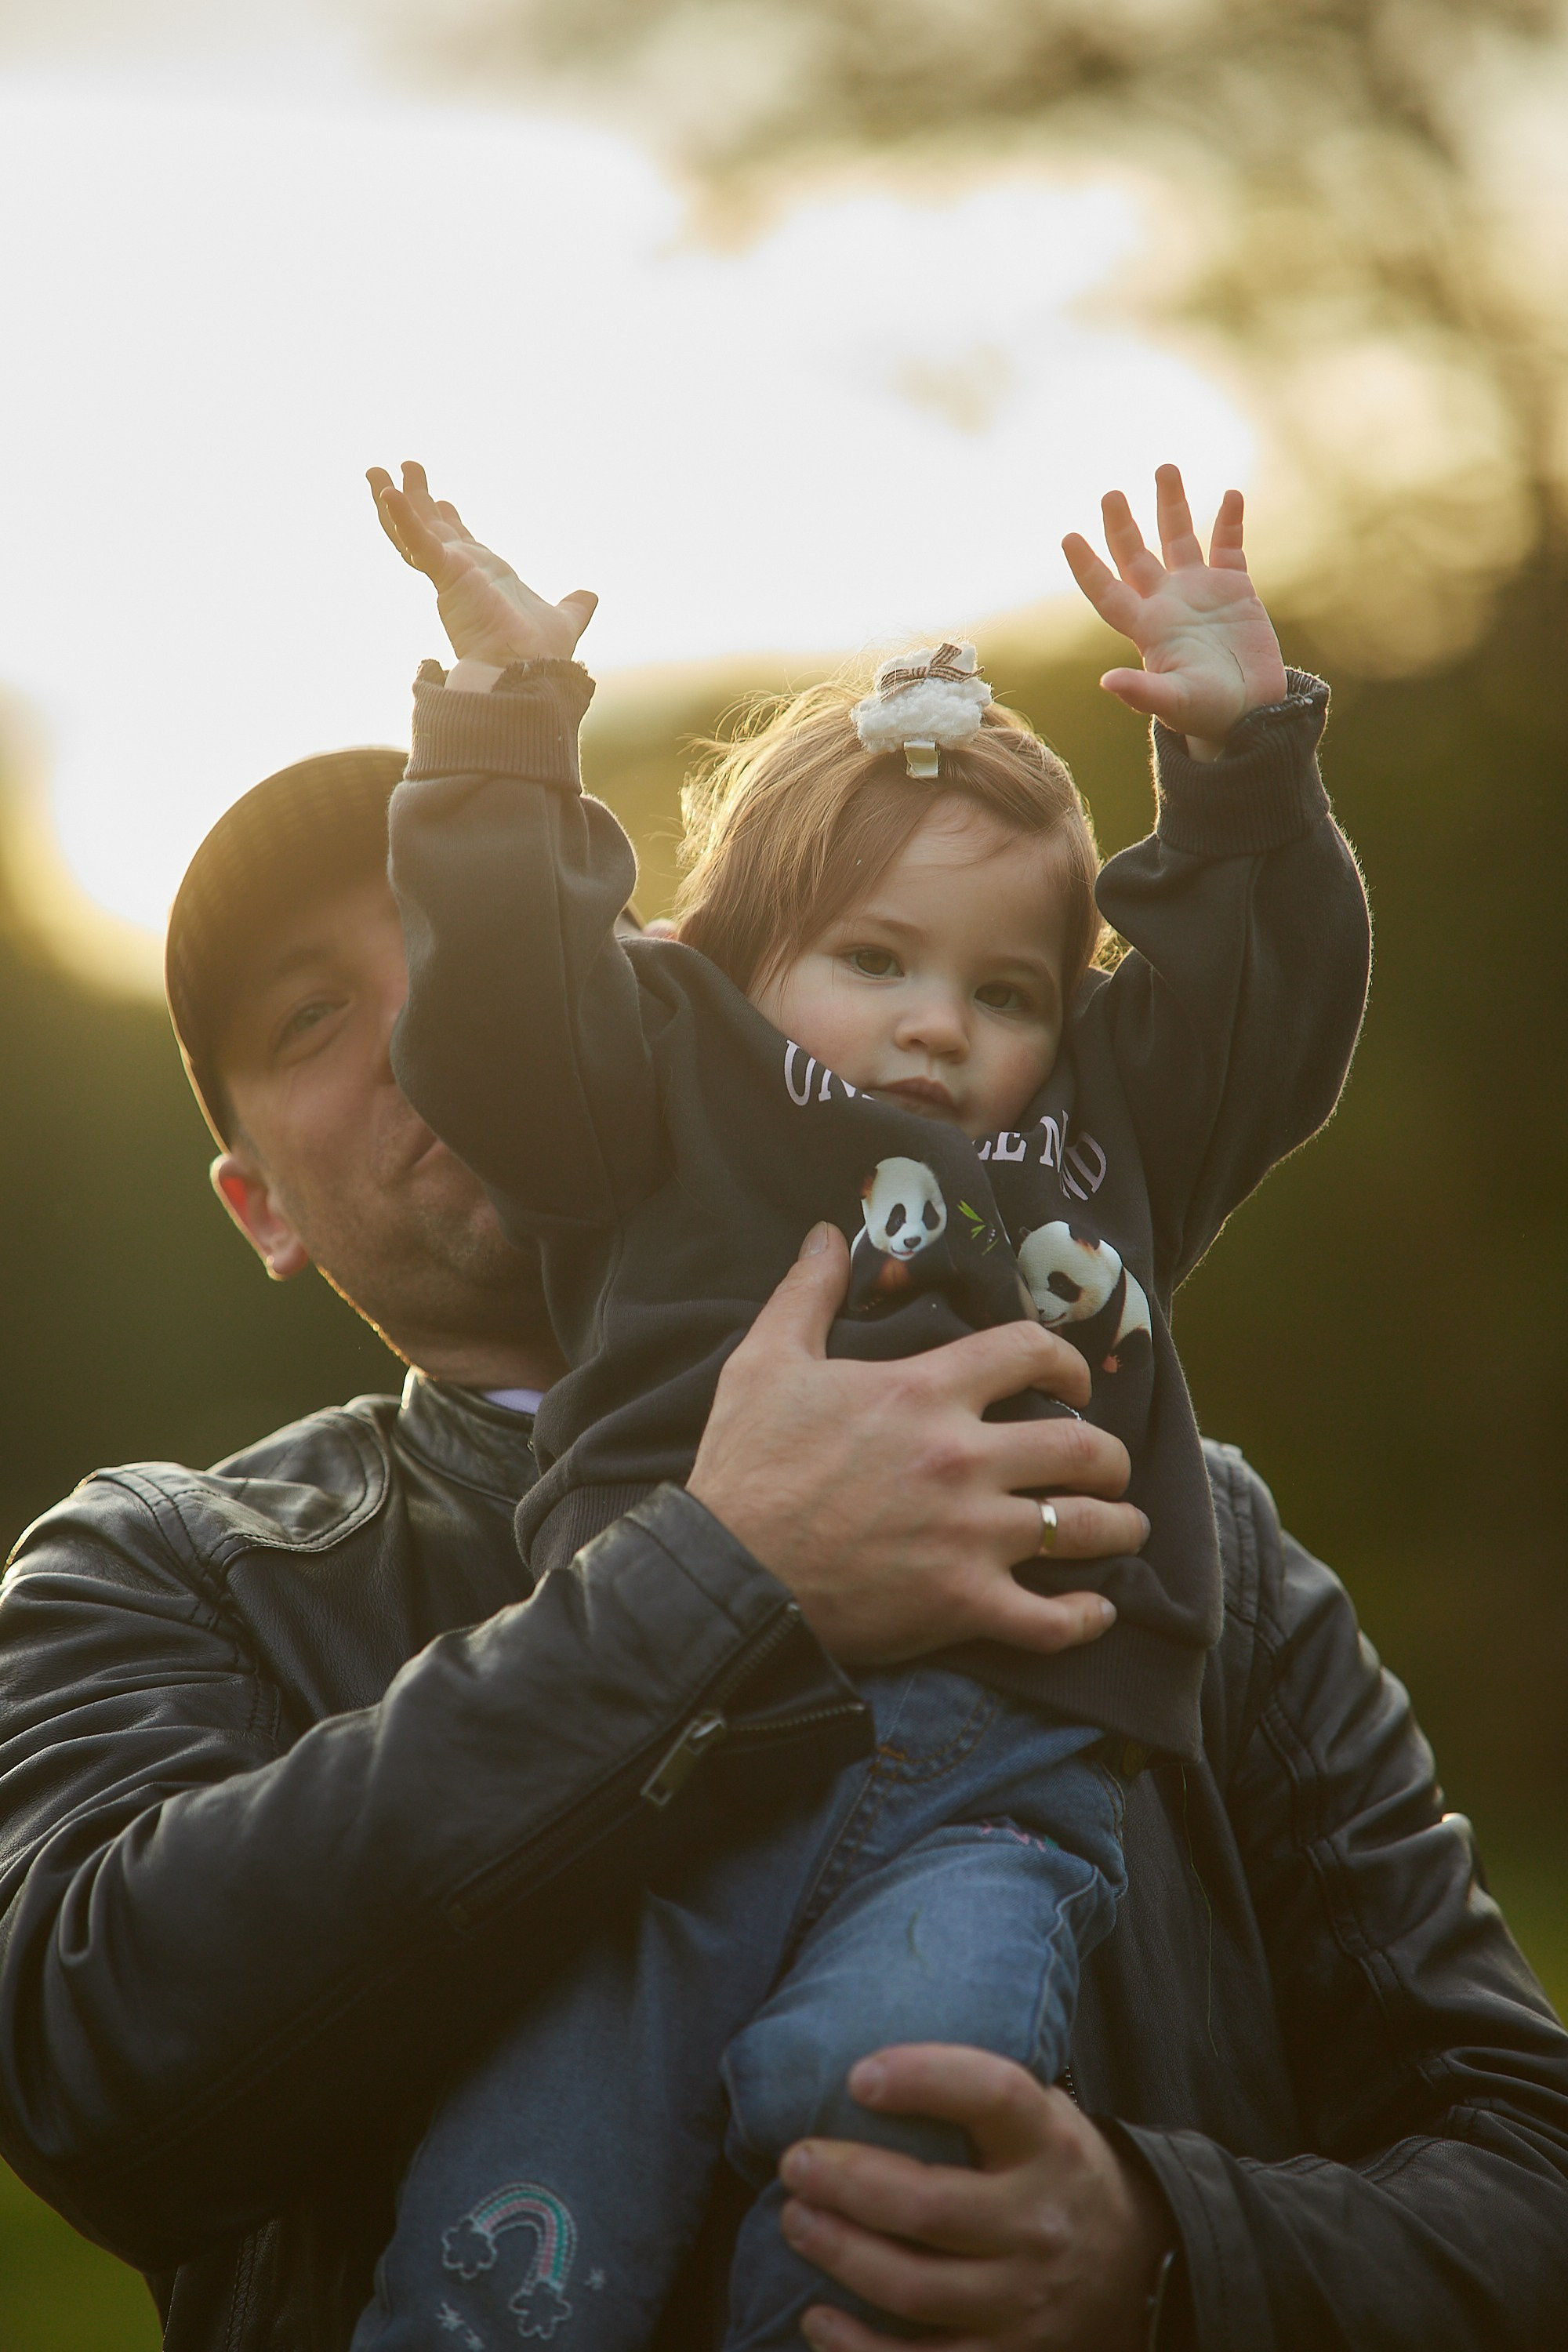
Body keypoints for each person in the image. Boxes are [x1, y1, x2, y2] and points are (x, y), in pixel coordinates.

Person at [0, 713, 1564, 2352]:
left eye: (463, 937)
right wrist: (716, 1575)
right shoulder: (172, 1570)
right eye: (313, 1014)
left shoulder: (1183, 1542)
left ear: (673, 994)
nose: (421, 1022)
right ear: (261, 1207)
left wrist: (1163, 2251)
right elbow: (91, 2075)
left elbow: (1529, 2171)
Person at [350, 458, 1368, 2348]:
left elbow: (1263, 1002)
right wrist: (504, 726)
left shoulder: (1103, 1131)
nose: (936, 1025)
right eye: (874, 961)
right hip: (670, 1776)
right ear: (738, 964)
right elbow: (496, 1017)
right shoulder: (667, 1073)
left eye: (1008, 988)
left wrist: (1244, 765)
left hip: (1000, 1791)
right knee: (529, 2204)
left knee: (891, 2125)